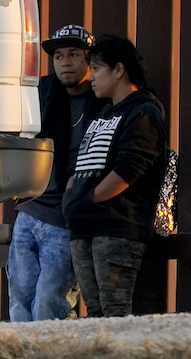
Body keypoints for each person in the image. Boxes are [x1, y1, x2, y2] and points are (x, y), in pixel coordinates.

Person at [62, 35, 168, 318]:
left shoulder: (143, 110)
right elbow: (84, 163)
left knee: (115, 314)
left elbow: (129, 169)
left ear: (119, 70)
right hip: (84, 227)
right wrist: (74, 197)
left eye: (96, 69)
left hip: (116, 228)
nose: (91, 76)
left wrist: (88, 199)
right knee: (95, 314)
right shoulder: (105, 111)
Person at [7, 25, 105, 322]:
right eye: (58, 55)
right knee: (20, 298)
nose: (65, 62)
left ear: (90, 60)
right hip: (30, 210)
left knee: (50, 304)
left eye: (74, 54)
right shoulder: (42, 94)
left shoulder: (104, 103)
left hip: (66, 217)